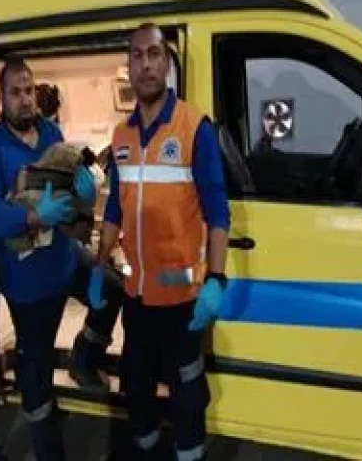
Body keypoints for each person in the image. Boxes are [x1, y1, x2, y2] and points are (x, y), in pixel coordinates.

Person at [89, 23, 231, 460]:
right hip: (137, 299)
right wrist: (99, 263)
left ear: (167, 63)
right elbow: (115, 209)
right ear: (128, 66)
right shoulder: (121, 137)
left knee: (187, 400)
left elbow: (217, 212)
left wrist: (217, 279)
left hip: (184, 302)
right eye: (137, 55)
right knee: (138, 392)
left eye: (154, 54)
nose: (145, 64)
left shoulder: (194, 127)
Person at [0, 57, 123, 461]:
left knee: (112, 289)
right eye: (15, 92)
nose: (25, 99)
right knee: (35, 371)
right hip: (28, 284)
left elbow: (74, 186)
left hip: (65, 259)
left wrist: (86, 189)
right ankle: (47, 447)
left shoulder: (51, 132)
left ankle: (83, 360)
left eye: (29, 90)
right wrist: (34, 217)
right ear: (2, 97)